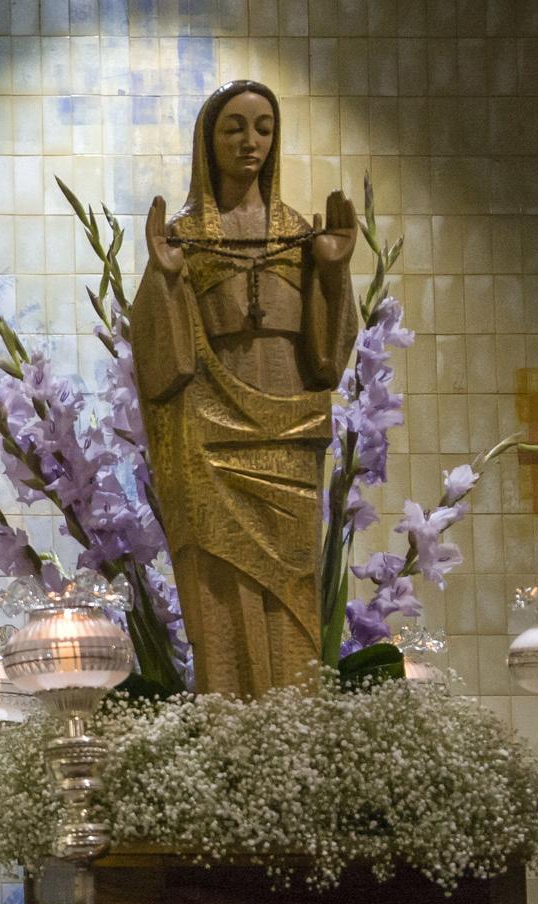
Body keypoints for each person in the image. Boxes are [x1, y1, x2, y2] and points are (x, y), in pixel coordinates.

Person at [131, 78, 358, 696]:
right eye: (235, 127)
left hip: (289, 436)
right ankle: (231, 727)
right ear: (210, 139)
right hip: (212, 436)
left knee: (292, 592)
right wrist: (167, 281)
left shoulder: (303, 236)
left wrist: (334, 275)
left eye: (263, 128)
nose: (250, 141)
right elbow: (160, 362)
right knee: (221, 586)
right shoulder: (182, 237)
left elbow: (327, 360)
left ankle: (291, 727)